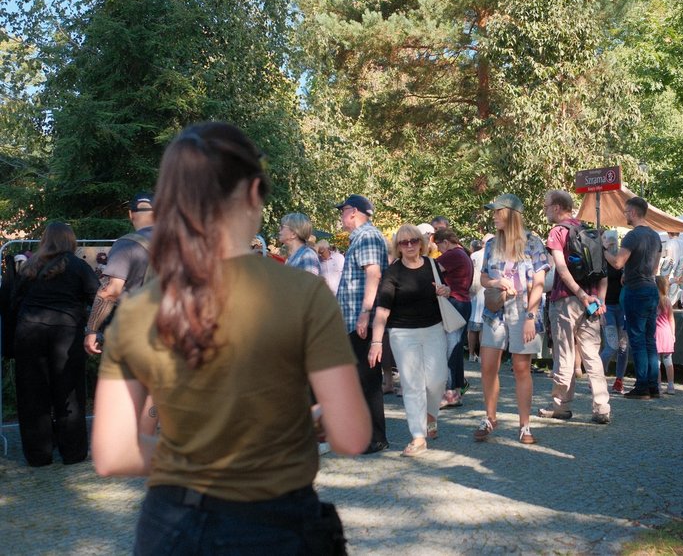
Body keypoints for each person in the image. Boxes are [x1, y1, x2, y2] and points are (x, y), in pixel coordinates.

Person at [91, 122, 371, 554]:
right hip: (276, 523)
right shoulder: (302, 293)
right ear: (255, 191)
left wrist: (192, 455)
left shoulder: (137, 309)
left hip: (171, 524)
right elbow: (351, 435)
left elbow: (112, 454)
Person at [11, 222, 99, 466]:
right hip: (66, 332)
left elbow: (14, 301)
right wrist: (93, 327)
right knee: (70, 393)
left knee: (31, 394)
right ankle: (73, 452)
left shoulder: (29, 267)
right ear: (70, 240)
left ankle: (38, 455)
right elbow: (97, 296)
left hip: (29, 331)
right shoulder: (78, 266)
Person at [370, 225, 452, 457]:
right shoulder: (392, 273)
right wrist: (376, 342)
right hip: (403, 334)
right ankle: (418, 436)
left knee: (437, 380)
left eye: (413, 241)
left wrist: (445, 290)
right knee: (412, 384)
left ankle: (430, 414)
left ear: (421, 242)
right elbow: (383, 309)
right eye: (403, 242)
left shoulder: (432, 265)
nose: (409, 245)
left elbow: (445, 289)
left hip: (434, 329)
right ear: (397, 246)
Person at [475, 194, 548, 444]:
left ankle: (525, 425)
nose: (493, 216)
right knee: (487, 366)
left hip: (523, 309)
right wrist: (496, 281)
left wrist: (531, 316)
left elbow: (539, 282)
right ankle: (490, 418)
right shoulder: (491, 244)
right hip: (495, 311)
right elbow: (483, 278)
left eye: (497, 212)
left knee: (521, 368)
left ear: (510, 214)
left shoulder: (532, 243)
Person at [538, 189, 610, 424]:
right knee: (592, 356)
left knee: (565, 354)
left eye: (546, 206)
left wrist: (579, 294)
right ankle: (602, 407)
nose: (545, 210)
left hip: (565, 301)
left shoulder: (558, 232)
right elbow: (603, 271)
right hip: (592, 302)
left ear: (557, 207)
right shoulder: (588, 231)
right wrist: (599, 299)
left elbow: (561, 268)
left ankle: (561, 406)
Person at [336, 194, 391, 454]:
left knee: (367, 378)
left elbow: (374, 274)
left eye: (342, 210)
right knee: (360, 378)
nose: (341, 216)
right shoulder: (361, 237)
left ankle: (375, 438)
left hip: (362, 321)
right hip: (355, 320)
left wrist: (365, 312)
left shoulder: (367, 236)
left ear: (354, 212)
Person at [603, 197, 663, 399]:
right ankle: (653, 386)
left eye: (626, 212)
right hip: (651, 288)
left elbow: (617, 263)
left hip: (635, 290)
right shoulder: (655, 236)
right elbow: (655, 268)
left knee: (636, 339)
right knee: (649, 339)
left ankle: (642, 386)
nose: (625, 215)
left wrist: (604, 251)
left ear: (634, 213)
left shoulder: (632, 236)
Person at [83, 192, 155, 356]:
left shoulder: (127, 244)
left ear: (130, 214)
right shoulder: (183, 242)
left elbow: (110, 292)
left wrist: (92, 330)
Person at [433, 228, 473, 408]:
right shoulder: (463, 253)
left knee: (449, 349)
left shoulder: (452, 254)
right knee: (455, 350)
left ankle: (450, 393)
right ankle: (456, 391)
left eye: (438, 246)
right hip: (462, 303)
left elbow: (430, 270)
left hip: (454, 304)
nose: (438, 250)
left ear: (445, 242)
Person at [599, 230, 629, 393]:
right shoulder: (600, 259)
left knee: (623, 346)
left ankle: (619, 380)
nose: (611, 242)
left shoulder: (622, 259)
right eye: (606, 239)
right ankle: (597, 377)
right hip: (607, 307)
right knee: (611, 346)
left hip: (622, 306)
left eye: (613, 240)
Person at [466, 237, 488, 362]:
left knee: (472, 326)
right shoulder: (492, 254)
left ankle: (471, 354)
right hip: (486, 290)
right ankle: (481, 355)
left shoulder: (474, 255)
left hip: (473, 291)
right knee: (483, 326)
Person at [654, 275, 676, 394]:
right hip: (667, 332)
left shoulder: (652, 300)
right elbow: (671, 319)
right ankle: (671, 385)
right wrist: (673, 334)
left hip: (656, 333)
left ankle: (658, 385)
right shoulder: (667, 301)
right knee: (668, 360)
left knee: (656, 361)